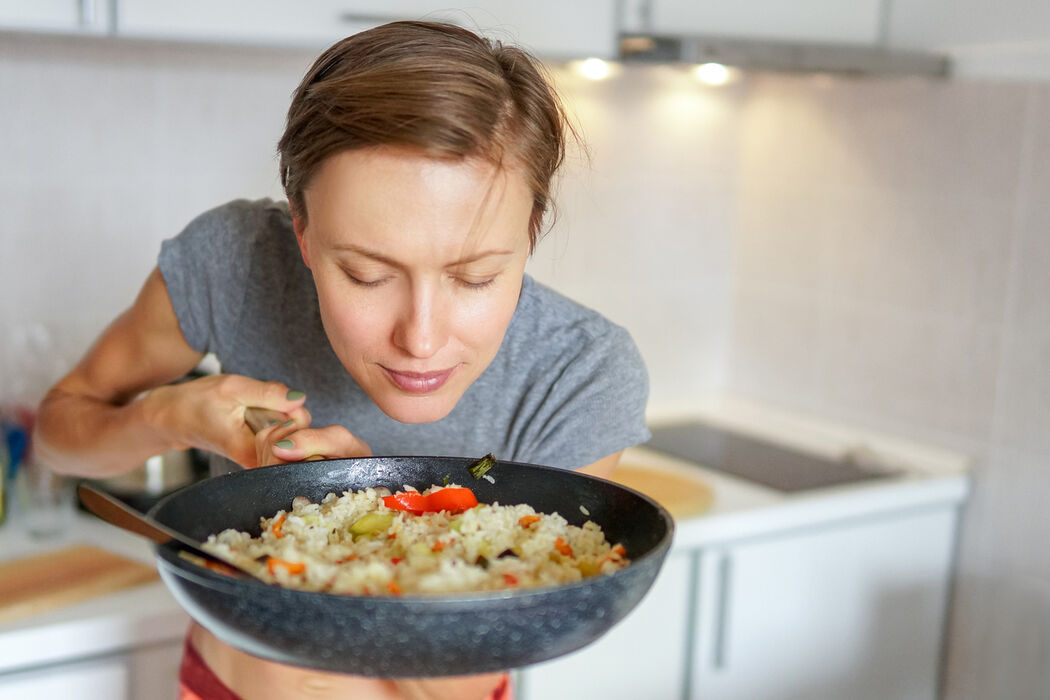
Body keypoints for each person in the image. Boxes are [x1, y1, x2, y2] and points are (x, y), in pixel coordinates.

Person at [34, 20, 649, 700]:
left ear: (530, 235)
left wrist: (365, 507)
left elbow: (477, 657)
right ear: (302, 231)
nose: (420, 339)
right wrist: (168, 415)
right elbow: (59, 441)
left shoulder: (580, 372)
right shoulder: (235, 261)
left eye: (474, 278)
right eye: (365, 274)